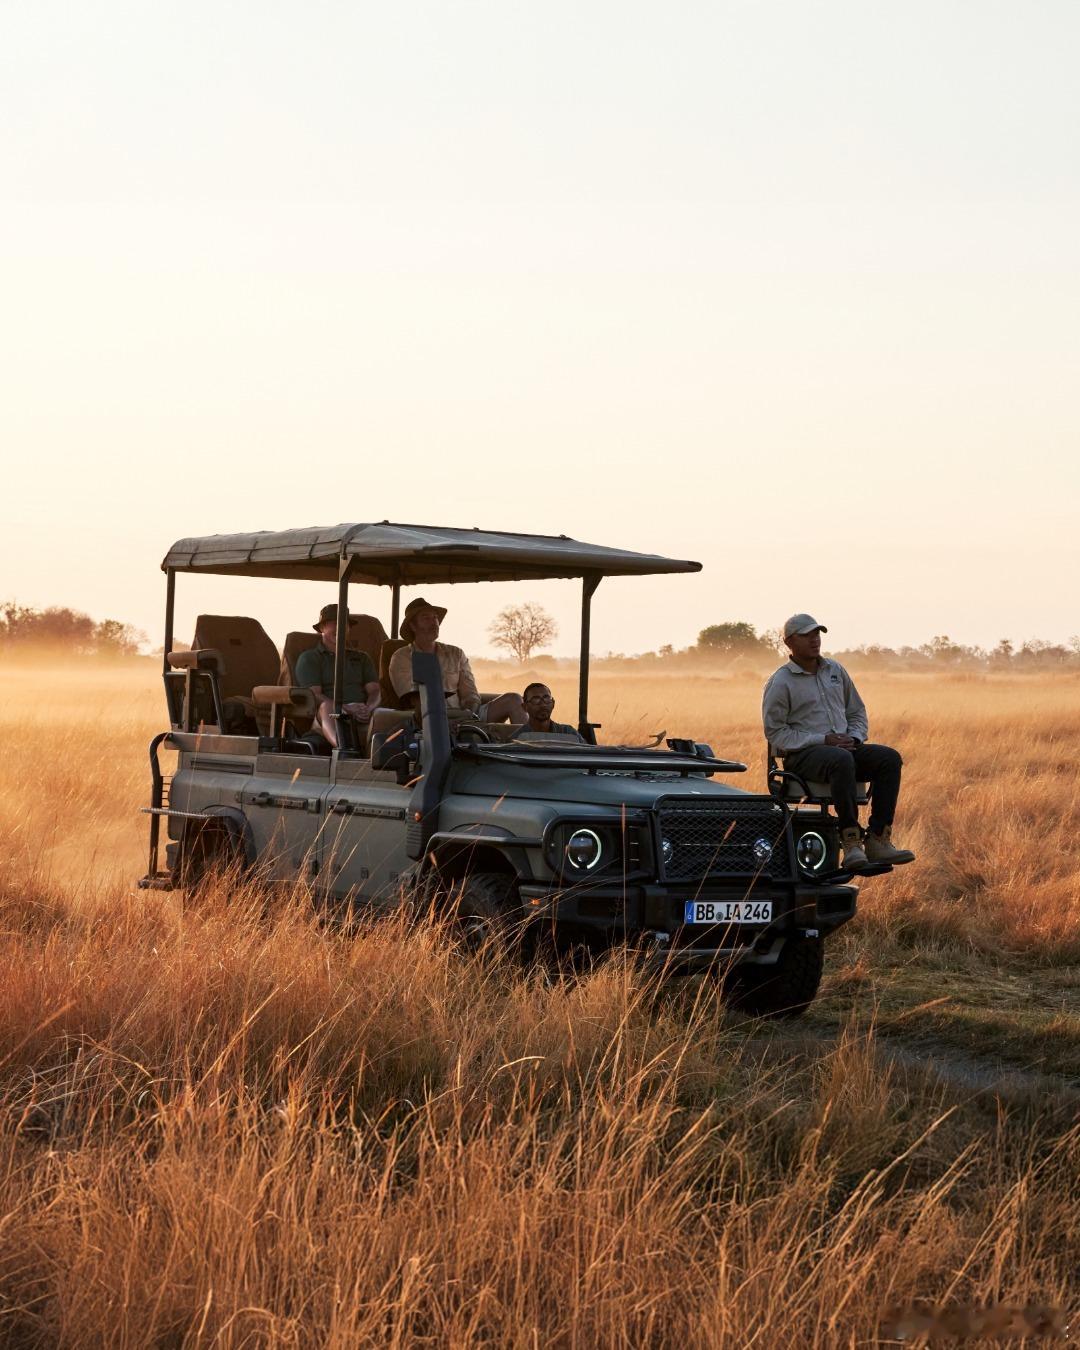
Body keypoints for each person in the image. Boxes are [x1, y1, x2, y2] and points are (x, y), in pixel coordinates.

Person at [762, 613, 915, 870]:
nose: (815, 640)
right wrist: (823, 739)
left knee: (889, 758)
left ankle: (878, 840)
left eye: (817, 634)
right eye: (807, 635)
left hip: (842, 750)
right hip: (804, 756)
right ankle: (851, 840)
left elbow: (856, 712)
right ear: (789, 642)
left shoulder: (835, 670)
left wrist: (854, 737)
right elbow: (776, 733)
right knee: (840, 758)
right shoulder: (781, 681)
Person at [388, 597, 526, 725]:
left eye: (435, 618)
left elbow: (470, 693)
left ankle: (528, 746)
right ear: (413, 626)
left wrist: (469, 711)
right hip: (426, 719)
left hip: (466, 715)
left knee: (514, 700)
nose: (434, 623)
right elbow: (412, 699)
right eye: (426, 618)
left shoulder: (455, 653)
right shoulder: (401, 657)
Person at [295, 603, 381, 750]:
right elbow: (314, 695)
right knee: (327, 706)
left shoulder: (362, 658)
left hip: (362, 714)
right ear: (322, 628)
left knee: (390, 715)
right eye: (334, 623)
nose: (340, 628)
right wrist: (346, 708)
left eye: (344, 624)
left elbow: (375, 691)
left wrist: (368, 708)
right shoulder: (310, 658)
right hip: (328, 715)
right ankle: (344, 750)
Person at [513, 682, 583, 739]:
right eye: (536, 700)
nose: (543, 704)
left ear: (553, 704)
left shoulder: (568, 732)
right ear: (525, 707)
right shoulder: (517, 738)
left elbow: (588, 753)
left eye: (546, 699)